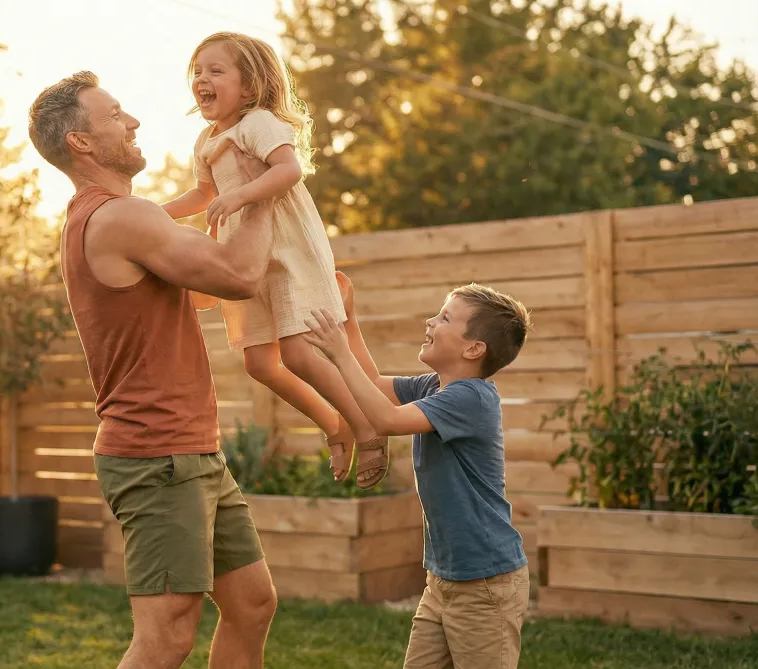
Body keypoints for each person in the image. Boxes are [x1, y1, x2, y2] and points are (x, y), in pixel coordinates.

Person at [27, 71, 278, 669]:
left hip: (190, 450)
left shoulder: (121, 219)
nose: (133, 121)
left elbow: (209, 292)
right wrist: (262, 186)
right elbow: (238, 277)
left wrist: (225, 205)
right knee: (166, 637)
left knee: (251, 603)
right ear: (82, 143)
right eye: (115, 114)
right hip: (156, 453)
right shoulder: (118, 217)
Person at [161, 31, 389, 488]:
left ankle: (368, 428)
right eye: (198, 72)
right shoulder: (207, 138)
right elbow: (204, 194)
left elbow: (289, 169)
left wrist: (242, 194)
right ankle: (333, 423)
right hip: (244, 256)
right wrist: (151, 214)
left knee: (300, 353)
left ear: (248, 87)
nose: (202, 79)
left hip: (286, 247)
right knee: (259, 364)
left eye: (215, 70)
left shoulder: (257, 121)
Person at [302, 283, 533, 669]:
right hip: (442, 580)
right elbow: (372, 386)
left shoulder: (472, 398)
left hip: (485, 585)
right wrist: (350, 322)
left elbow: (386, 419)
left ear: (473, 349)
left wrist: (338, 351)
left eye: (444, 318)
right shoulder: (433, 387)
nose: (430, 320)